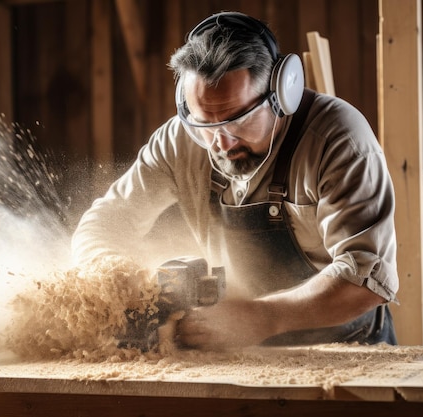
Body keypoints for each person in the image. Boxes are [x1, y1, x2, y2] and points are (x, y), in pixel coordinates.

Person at [72, 11, 399, 350]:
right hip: (238, 348)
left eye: (238, 121)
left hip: (347, 348)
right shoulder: (179, 141)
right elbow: (104, 224)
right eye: (205, 125)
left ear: (280, 94)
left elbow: (365, 280)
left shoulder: (338, 139)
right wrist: (114, 276)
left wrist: (260, 317)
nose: (222, 143)